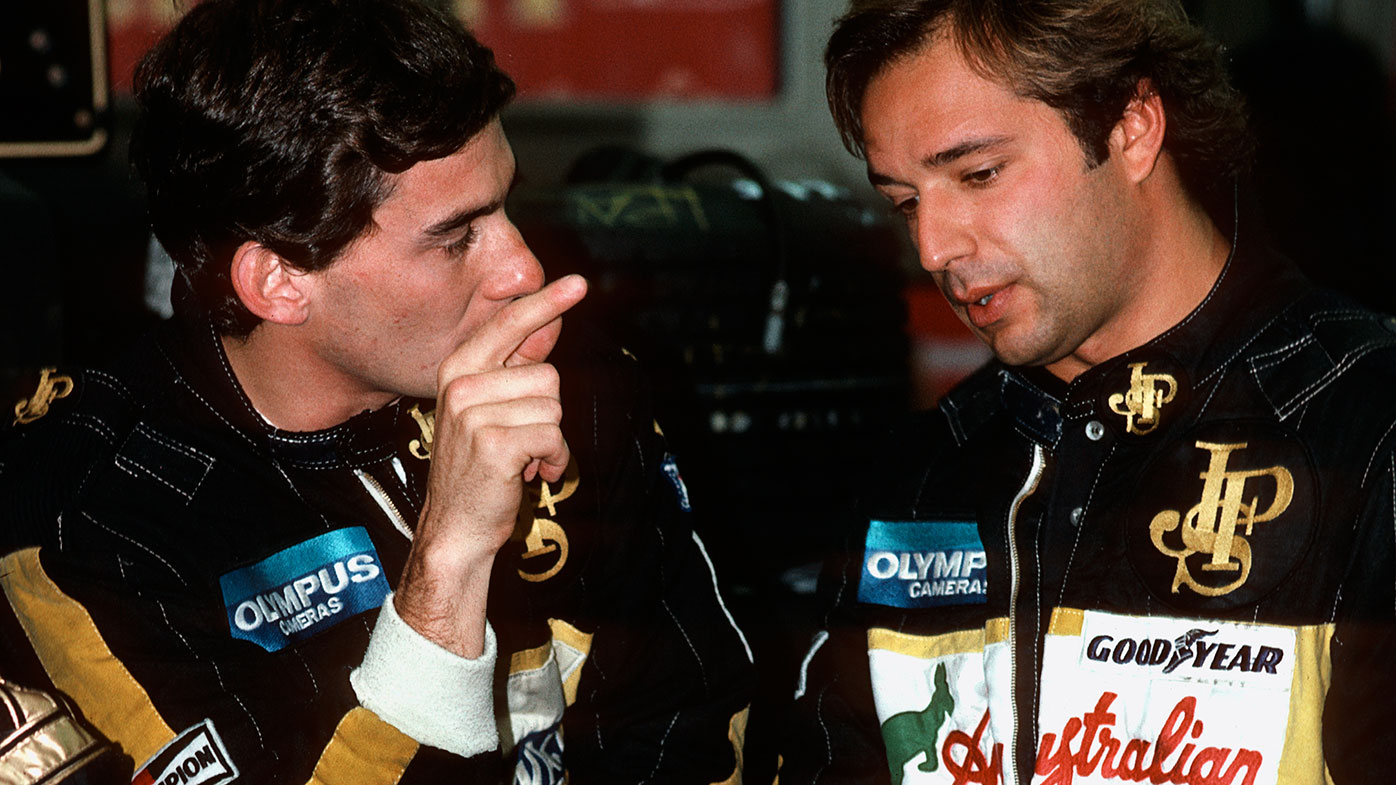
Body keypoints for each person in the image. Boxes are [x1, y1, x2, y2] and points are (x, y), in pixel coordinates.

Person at [0, 0, 753, 782]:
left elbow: (691, 726)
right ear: (279, 282)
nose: (524, 269)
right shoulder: (88, 530)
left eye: (509, 202)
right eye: (456, 237)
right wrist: (450, 560)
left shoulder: (571, 385)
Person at [779, 1, 1396, 783]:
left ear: (1132, 128)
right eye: (906, 201)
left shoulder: (1366, 434)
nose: (934, 246)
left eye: (978, 174)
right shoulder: (919, 478)